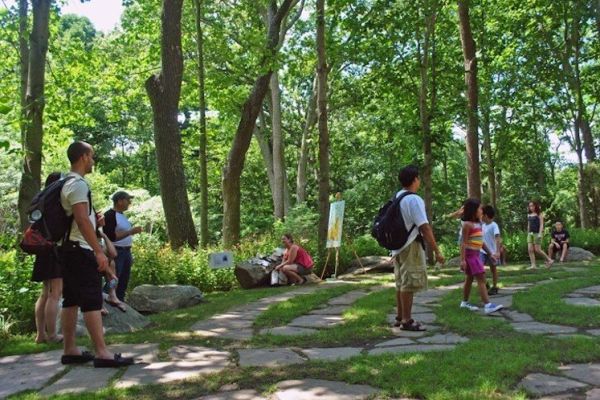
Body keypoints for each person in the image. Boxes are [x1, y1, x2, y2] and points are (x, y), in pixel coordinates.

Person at [59, 141, 133, 368]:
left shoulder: (65, 181)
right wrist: (98, 251)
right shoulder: (78, 184)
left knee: (70, 300)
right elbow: (81, 220)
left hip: (67, 249)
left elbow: (79, 217)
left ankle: (70, 350)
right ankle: (103, 353)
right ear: (83, 157)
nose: (93, 161)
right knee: (92, 299)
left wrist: (96, 221)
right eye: (91, 156)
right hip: (80, 250)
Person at [392, 165, 445, 331]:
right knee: (409, 282)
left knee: (401, 282)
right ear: (415, 179)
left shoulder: (397, 197)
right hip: (411, 246)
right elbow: (424, 227)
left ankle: (400, 317)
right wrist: (436, 250)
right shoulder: (414, 199)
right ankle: (407, 321)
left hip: (397, 247)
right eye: (418, 178)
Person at [32, 172, 64, 344]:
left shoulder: (41, 201)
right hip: (54, 250)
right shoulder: (55, 204)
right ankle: (52, 335)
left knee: (45, 293)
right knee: (55, 293)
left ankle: (40, 335)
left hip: (42, 249)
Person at [459, 198, 503, 314]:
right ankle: (488, 305)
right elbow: (463, 243)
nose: (481, 211)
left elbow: (481, 242)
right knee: (481, 279)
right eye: (479, 208)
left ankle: (464, 302)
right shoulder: (467, 225)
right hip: (470, 256)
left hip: (476, 255)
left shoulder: (479, 224)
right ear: (473, 210)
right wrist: (463, 260)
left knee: (469, 279)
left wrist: (490, 254)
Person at [103, 191, 142, 302]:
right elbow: (110, 237)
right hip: (116, 252)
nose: (129, 202)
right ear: (119, 201)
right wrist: (130, 232)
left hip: (126, 252)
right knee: (114, 278)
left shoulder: (121, 216)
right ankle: (107, 297)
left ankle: (119, 301)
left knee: (124, 280)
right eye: (127, 199)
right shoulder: (110, 215)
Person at [480, 205, 501, 295]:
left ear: (486, 216)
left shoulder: (494, 225)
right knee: (480, 268)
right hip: (482, 251)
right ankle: (486, 284)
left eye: (482, 214)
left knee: (493, 269)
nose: (480, 216)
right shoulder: (482, 225)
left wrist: (497, 251)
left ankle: (495, 286)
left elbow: (497, 238)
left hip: (492, 252)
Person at [527, 201, 553, 269]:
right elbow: (529, 225)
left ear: (535, 206)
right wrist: (528, 232)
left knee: (537, 250)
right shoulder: (529, 215)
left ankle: (549, 260)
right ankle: (533, 265)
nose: (531, 207)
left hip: (537, 233)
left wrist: (540, 233)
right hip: (530, 234)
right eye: (530, 206)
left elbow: (541, 224)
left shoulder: (539, 214)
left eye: (532, 206)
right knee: (530, 249)